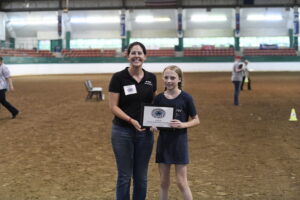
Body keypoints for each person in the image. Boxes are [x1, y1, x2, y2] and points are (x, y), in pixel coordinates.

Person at [108, 41, 157, 200]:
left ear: (145, 56)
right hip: (122, 132)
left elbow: (153, 104)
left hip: (145, 134)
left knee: (141, 177)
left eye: (140, 53)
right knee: (124, 176)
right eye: (133, 53)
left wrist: (156, 121)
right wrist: (131, 120)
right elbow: (113, 106)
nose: (137, 56)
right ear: (127, 56)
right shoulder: (118, 78)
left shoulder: (152, 78)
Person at [152, 65, 200, 200]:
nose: (169, 80)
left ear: (179, 79)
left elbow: (196, 120)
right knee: (163, 182)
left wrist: (183, 124)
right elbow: (154, 119)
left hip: (179, 142)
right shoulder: (159, 98)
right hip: (164, 142)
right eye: (166, 77)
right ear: (162, 78)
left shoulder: (186, 98)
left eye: (172, 78)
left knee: (182, 182)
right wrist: (153, 126)